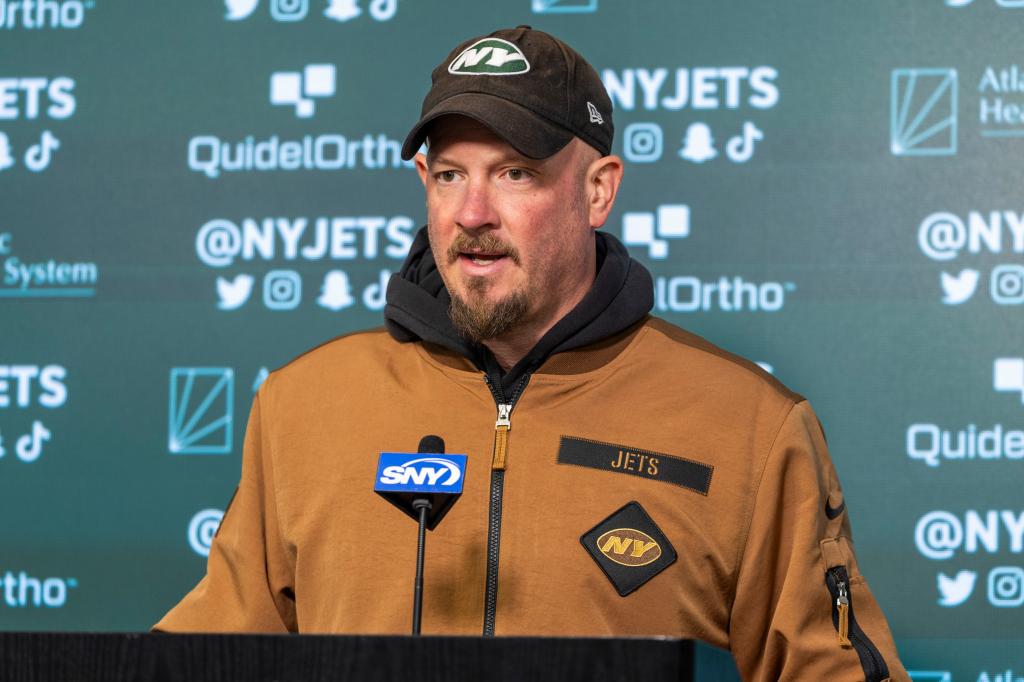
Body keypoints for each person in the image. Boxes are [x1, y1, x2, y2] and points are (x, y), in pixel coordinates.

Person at [156, 26, 909, 681]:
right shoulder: (302, 405)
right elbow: (202, 660)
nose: (473, 214)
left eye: (516, 174)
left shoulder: (750, 429)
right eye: (451, 175)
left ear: (598, 191)